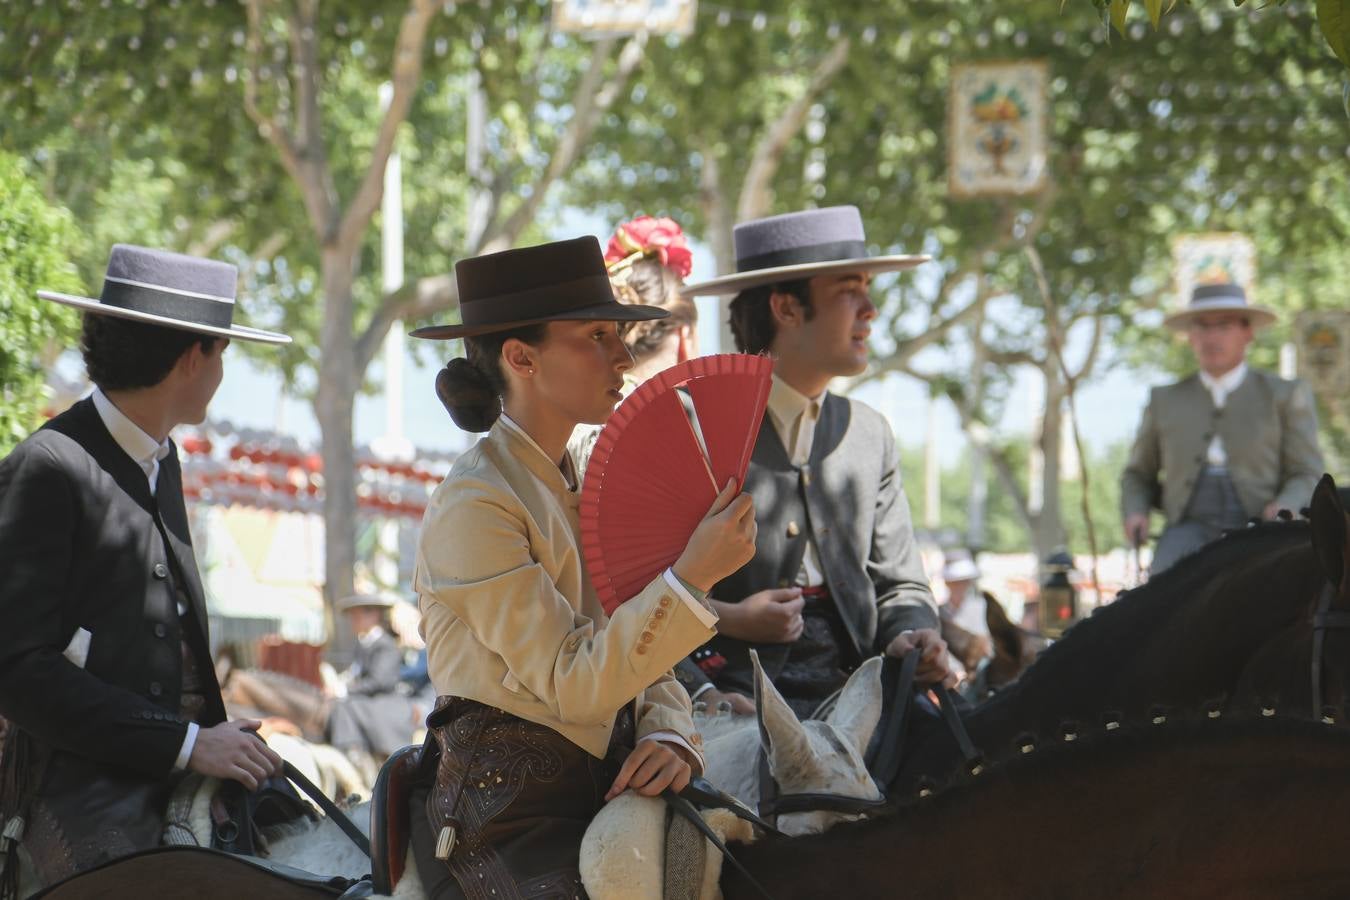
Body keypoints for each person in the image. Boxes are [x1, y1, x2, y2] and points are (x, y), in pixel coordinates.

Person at [408, 236, 755, 897]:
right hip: (509, 813)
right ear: (521, 358)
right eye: (598, 335)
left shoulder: (595, 472)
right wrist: (692, 579)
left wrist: (672, 731)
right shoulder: (475, 501)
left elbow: (635, 647)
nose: (623, 355)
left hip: (613, 780)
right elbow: (575, 681)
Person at [0, 245, 289, 888]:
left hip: (186, 756)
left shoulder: (165, 461)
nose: (222, 372)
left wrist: (214, 732)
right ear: (195, 357)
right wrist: (187, 744)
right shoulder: (48, 465)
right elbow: (17, 669)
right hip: (76, 778)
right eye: (222, 353)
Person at [678, 205, 954, 719]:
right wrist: (703, 683)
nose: (870, 309)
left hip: (868, 694)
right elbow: (631, 599)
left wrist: (912, 633)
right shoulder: (689, 429)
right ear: (786, 308)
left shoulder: (870, 434)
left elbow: (902, 585)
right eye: (850, 290)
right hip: (735, 702)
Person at [1121, 283, 1324, 573]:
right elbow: (1137, 474)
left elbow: (1306, 471)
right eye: (1202, 327)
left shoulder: (1285, 395)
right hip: (1187, 525)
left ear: (1247, 333)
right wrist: (1135, 512)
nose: (1211, 337)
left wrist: (1286, 506)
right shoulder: (1163, 400)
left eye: (1224, 326)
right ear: (1190, 336)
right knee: (1161, 593)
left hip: (1262, 525)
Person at [325, 594, 418, 774]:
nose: (353, 621)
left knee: (344, 705)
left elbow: (380, 682)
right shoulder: (363, 644)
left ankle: (353, 751)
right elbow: (356, 673)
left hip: (385, 702)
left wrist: (344, 690)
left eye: (358, 616)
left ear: (374, 616)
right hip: (370, 698)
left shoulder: (385, 645)